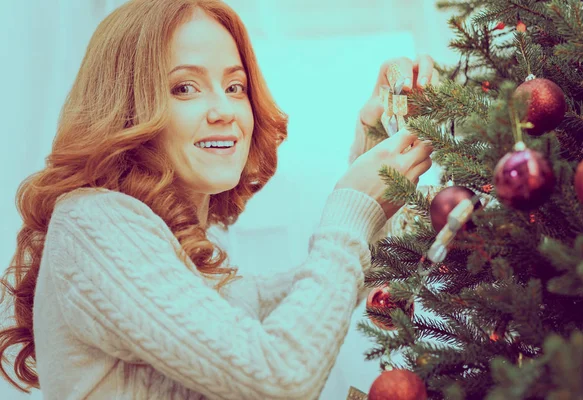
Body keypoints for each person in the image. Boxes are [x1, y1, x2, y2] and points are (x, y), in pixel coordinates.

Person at [0, 0, 436, 398]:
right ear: (127, 108)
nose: (223, 110)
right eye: (185, 88)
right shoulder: (92, 221)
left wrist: (378, 152)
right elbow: (279, 373)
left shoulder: (173, 263)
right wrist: (348, 210)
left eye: (234, 87)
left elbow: (309, 297)